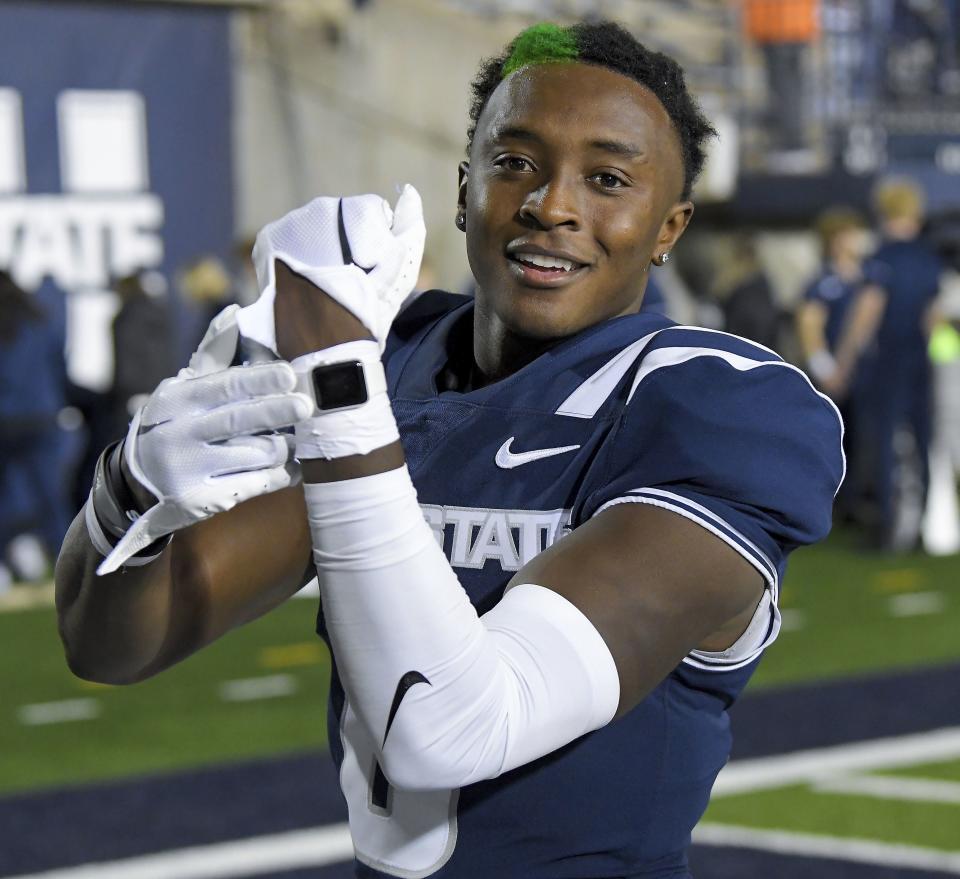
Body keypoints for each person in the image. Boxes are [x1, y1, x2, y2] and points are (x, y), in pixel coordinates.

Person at [55, 21, 844, 878]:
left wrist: (335, 388)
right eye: (516, 163)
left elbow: (453, 727)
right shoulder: (397, 362)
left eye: (608, 179)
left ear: (669, 227)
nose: (553, 203)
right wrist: (128, 494)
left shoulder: (711, 401)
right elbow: (111, 645)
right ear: (464, 188)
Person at [831, 177, 942, 550]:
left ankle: (886, 527)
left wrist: (844, 362)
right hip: (920, 359)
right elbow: (934, 318)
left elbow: (867, 313)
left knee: (881, 441)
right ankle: (922, 526)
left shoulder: (882, 257)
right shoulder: (929, 256)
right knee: (922, 442)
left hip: (887, 361)